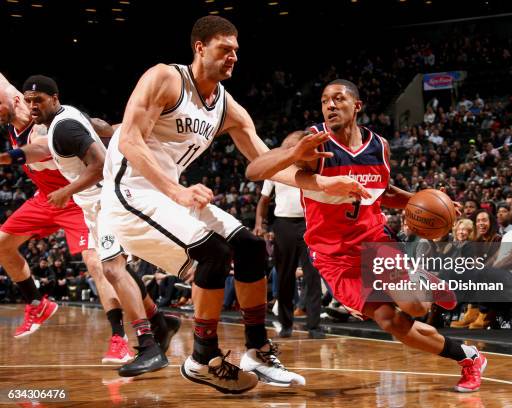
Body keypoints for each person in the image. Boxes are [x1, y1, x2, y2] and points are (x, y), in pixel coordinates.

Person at [100, 16, 367, 393]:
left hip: (167, 196)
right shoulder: (165, 78)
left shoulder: (227, 107)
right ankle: (203, 358)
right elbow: (129, 141)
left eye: (237, 51)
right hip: (128, 196)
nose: (233, 58)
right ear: (200, 47)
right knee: (214, 252)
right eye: (225, 49)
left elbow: (265, 163)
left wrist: (322, 181)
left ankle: (257, 350)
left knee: (251, 247)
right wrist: (177, 192)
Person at [246, 79, 488, 393]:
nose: (330, 105)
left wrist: (422, 199)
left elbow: (383, 191)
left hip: (373, 241)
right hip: (333, 256)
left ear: (357, 105)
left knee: (414, 308)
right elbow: (254, 170)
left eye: (338, 99)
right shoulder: (312, 140)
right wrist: (293, 151)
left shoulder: (379, 146)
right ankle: (469, 356)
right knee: (391, 321)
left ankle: (422, 282)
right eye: (324, 101)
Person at [15, 75, 180, 372]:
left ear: (55, 98)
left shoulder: (64, 127)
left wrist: (66, 191)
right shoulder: (60, 123)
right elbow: (60, 143)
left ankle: (148, 345)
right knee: (118, 269)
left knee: (112, 269)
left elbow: (101, 164)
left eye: (37, 100)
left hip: (106, 201)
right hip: (94, 203)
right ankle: (160, 322)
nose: (32, 105)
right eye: (28, 100)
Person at [0, 77, 134, 363]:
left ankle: (119, 338)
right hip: (46, 197)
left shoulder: (41, 128)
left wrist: (7, 157)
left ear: (14, 102)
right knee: (2, 244)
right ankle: (37, 303)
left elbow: (41, 149)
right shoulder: (14, 126)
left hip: (74, 197)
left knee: (97, 264)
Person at [254, 180, 324, 339]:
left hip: (310, 223)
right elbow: (263, 200)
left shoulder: (311, 164)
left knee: (313, 275)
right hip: (284, 224)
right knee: (285, 276)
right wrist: (259, 223)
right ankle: (286, 324)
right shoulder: (276, 169)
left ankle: (314, 326)